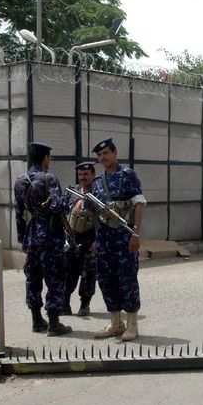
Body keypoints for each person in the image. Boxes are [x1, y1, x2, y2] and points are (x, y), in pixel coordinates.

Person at [13, 142, 72, 336]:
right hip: (50, 235)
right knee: (55, 277)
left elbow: (19, 213)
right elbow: (57, 206)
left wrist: (23, 239)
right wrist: (65, 203)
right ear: (45, 158)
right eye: (50, 157)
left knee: (33, 278)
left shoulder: (20, 181)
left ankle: (37, 320)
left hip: (32, 237)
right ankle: (54, 322)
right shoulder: (49, 178)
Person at [90, 138, 146, 341]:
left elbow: (138, 204)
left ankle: (132, 324)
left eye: (106, 153)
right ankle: (116, 323)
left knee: (127, 279)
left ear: (115, 153)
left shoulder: (127, 175)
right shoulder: (96, 183)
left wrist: (135, 233)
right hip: (104, 240)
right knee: (106, 280)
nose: (102, 158)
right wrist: (95, 239)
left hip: (124, 238)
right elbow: (96, 214)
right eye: (99, 155)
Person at [60, 161, 98, 317]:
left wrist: (98, 241)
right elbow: (61, 211)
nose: (82, 177)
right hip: (72, 238)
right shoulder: (72, 192)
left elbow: (102, 219)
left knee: (88, 273)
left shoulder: (98, 194)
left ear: (93, 175)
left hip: (89, 239)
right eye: (80, 174)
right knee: (68, 272)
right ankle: (65, 303)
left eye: (86, 174)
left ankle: (85, 303)